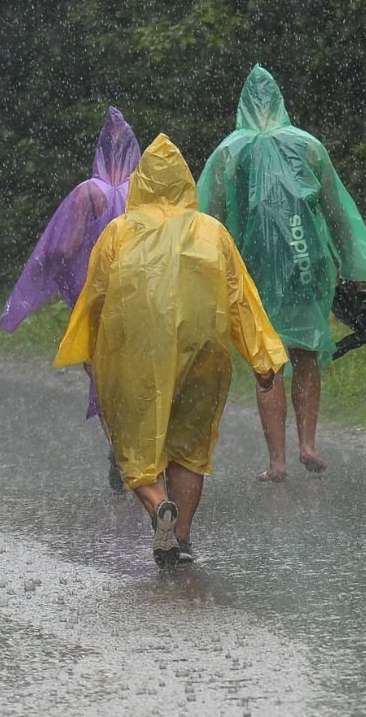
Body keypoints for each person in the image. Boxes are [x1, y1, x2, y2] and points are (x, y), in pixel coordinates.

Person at [55, 134, 286, 567]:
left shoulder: (117, 233)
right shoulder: (212, 232)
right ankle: (180, 538)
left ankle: (159, 504)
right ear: (184, 182)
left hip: (134, 354)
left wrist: (89, 354)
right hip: (204, 351)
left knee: (133, 444)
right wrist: (262, 358)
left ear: (142, 182)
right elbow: (240, 299)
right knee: (190, 448)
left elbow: (96, 298)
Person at [199, 64, 366, 481]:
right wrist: (349, 262)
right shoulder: (309, 146)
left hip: (253, 268)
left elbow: (210, 215)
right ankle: (308, 444)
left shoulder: (230, 151)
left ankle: (277, 460)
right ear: (280, 101)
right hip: (307, 261)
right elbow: (337, 210)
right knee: (306, 353)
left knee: (268, 363)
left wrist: (209, 269)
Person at [0, 106, 140, 489]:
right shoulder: (144, 191)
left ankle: (118, 446)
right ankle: (142, 447)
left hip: (94, 297)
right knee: (137, 370)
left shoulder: (86, 194)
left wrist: (66, 265)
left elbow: (65, 246)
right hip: (137, 295)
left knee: (101, 372)